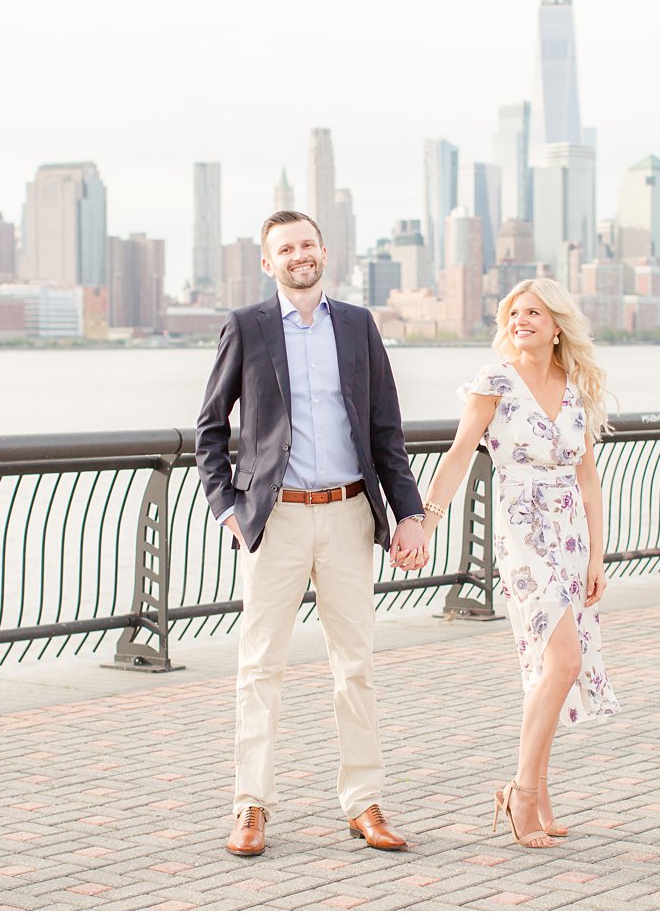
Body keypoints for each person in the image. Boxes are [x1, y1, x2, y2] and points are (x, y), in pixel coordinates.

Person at [195, 209, 429, 857]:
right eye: (285, 249)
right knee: (259, 666)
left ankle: (364, 803)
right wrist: (229, 510)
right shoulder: (246, 326)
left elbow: (387, 431)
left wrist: (407, 513)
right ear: (268, 262)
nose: (299, 255)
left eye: (307, 244)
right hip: (277, 520)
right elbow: (210, 430)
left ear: (324, 251)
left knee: (355, 665)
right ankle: (250, 807)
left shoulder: (356, 325)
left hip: (352, 513)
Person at [403, 277, 620, 848]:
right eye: (514, 313)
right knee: (564, 662)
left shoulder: (574, 385)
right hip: (525, 533)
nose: (521, 321)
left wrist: (598, 555)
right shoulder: (495, 381)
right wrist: (427, 518)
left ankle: (538, 791)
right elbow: (456, 455)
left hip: (572, 537)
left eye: (534, 313)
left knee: (549, 668)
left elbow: (588, 477)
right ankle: (522, 794)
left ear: (557, 328)